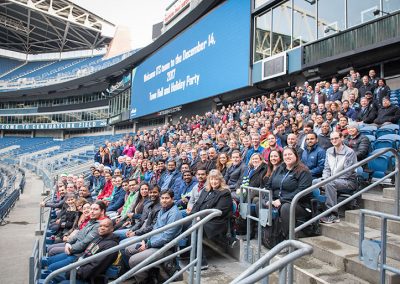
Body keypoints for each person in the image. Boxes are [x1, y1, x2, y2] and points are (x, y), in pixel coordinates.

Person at [125, 190, 182, 283]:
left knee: (133, 260)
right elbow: (155, 228)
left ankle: (145, 281)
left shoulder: (174, 214)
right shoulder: (162, 210)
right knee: (128, 250)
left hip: (164, 247)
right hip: (152, 242)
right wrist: (145, 240)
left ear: (172, 199)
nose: (164, 200)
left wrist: (148, 245)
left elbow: (167, 237)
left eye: (167, 198)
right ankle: (148, 274)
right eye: (162, 198)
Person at [43, 201, 107, 272]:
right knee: (50, 261)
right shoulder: (92, 221)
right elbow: (78, 234)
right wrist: (68, 242)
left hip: (78, 255)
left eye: (95, 209)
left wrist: (71, 249)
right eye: (91, 209)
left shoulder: (100, 225)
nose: (91, 211)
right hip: (73, 248)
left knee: (51, 267)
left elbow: (85, 243)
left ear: (102, 211)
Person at [262, 147, 312, 237]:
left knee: (285, 208)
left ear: (296, 156)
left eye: (290, 154)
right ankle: (268, 236)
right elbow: (268, 185)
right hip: (276, 200)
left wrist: (281, 200)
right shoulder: (279, 168)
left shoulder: (303, 171)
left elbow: (301, 191)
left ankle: (289, 239)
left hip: (298, 204)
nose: (287, 157)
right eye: (285, 155)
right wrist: (269, 199)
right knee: (260, 203)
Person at [190, 169, 233, 269]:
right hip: (200, 219)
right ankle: (188, 255)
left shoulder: (225, 193)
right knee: (183, 226)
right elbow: (197, 204)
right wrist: (194, 215)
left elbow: (219, 211)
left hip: (215, 223)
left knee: (195, 231)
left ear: (220, 180)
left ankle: (202, 263)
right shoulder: (206, 190)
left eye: (216, 180)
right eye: (212, 179)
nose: (213, 182)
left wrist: (200, 217)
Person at [59, 219, 119, 284]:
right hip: (78, 270)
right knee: (55, 274)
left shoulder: (111, 245)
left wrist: (73, 273)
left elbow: (94, 268)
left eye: (106, 226)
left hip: (89, 279)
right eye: (100, 226)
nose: (102, 228)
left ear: (112, 229)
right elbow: (85, 255)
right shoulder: (98, 238)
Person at [319, 132, 358, 223]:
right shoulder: (329, 151)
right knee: (314, 182)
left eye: (336, 138)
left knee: (329, 184)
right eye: (332, 139)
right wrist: (325, 178)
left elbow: (348, 173)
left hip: (348, 181)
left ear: (342, 138)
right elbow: (326, 168)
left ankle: (333, 214)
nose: (334, 140)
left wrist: (329, 180)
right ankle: (317, 210)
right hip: (332, 179)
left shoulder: (349, 152)